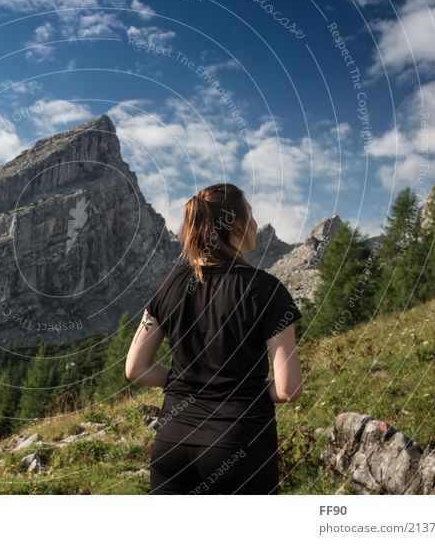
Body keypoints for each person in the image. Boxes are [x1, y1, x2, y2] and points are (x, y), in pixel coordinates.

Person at [124, 183, 303, 495]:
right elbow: (289, 389)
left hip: (172, 443)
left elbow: (135, 368)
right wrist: (248, 390)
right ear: (236, 225)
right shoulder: (267, 289)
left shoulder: (170, 285)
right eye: (252, 216)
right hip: (238, 444)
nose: (257, 225)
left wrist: (187, 384)